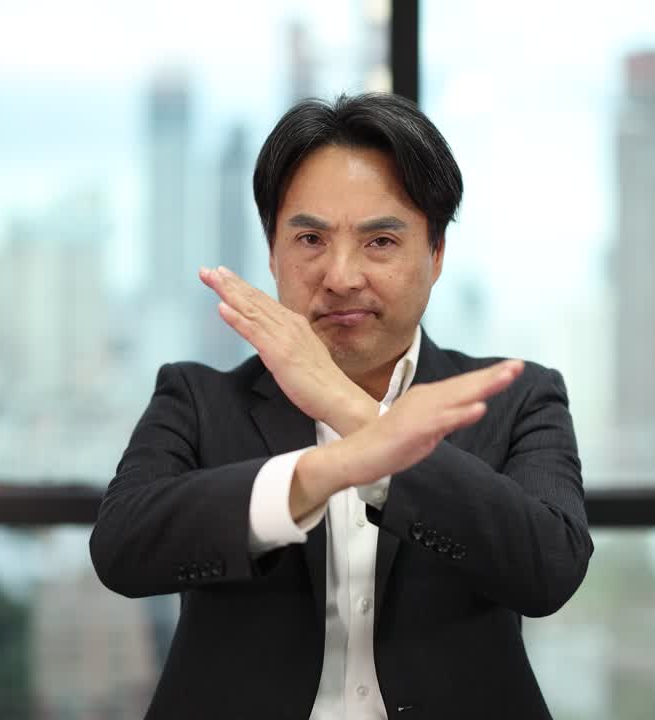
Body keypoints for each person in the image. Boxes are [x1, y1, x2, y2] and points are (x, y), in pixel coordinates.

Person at [90, 92, 593, 720]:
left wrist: (349, 412)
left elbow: (548, 569)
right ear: (272, 252)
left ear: (435, 256)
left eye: (381, 241)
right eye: (309, 238)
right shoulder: (196, 397)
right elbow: (123, 551)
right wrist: (320, 473)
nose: (341, 276)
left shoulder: (515, 398)